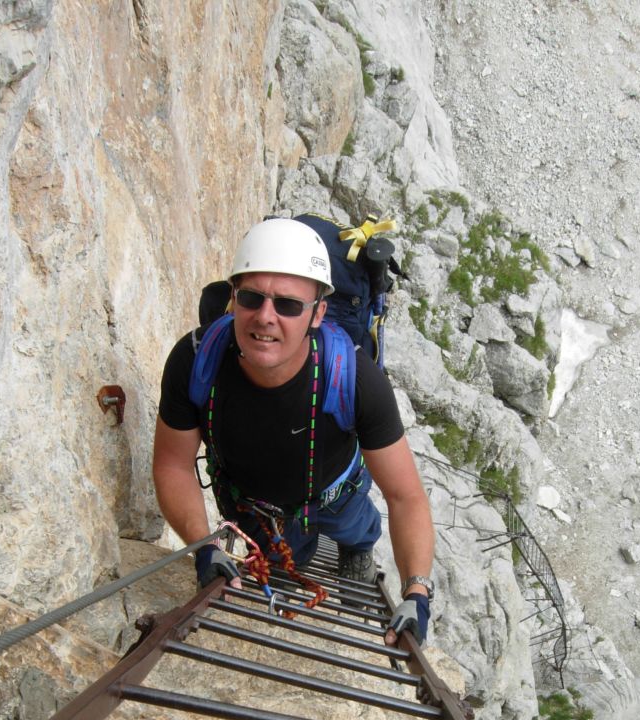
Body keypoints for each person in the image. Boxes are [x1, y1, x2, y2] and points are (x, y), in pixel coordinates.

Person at [153, 217, 435, 645]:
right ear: (233, 299)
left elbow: (405, 495)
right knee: (286, 567)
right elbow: (172, 466)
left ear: (318, 313)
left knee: (358, 529)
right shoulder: (194, 360)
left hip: (336, 492)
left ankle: (356, 553)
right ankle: (302, 561)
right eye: (251, 298)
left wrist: (416, 590)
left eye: (287, 305)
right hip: (255, 509)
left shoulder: (353, 377)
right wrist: (204, 546)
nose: (266, 317)